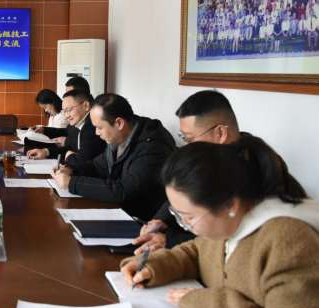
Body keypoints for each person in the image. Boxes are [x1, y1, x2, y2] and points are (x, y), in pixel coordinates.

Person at [121, 138, 319, 308]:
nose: (185, 226)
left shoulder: (289, 241)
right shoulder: (229, 221)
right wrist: (155, 266)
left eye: (189, 217)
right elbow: (199, 253)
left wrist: (201, 302)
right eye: (178, 215)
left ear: (230, 205)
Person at [133, 90, 244, 254]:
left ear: (220, 133)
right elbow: (178, 197)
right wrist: (160, 220)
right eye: (184, 138)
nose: (187, 146)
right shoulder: (208, 158)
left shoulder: (251, 172)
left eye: (190, 139)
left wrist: (169, 241)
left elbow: (226, 244)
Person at [51, 93, 175, 221]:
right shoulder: (120, 137)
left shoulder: (152, 147)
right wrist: (71, 170)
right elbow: (98, 166)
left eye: (99, 127)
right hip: (119, 210)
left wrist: (72, 183)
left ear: (119, 123)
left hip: (142, 220)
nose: (97, 133)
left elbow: (123, 190)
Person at [25, 89, 106, 166]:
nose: (66, 116)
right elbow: (68, 144)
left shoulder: (93, 127)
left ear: (86, 105)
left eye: (69, 110)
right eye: (64, 111)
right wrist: (45, 152)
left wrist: (69, 155)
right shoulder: (77, 123)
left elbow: (81, 162)